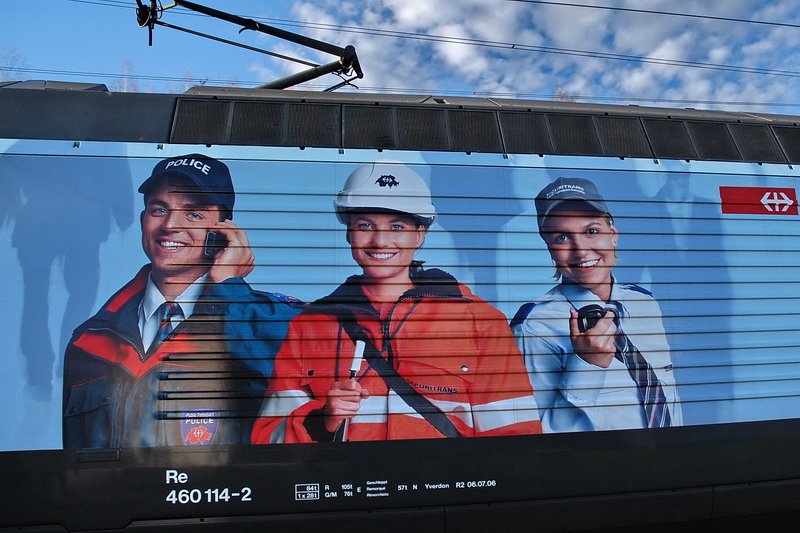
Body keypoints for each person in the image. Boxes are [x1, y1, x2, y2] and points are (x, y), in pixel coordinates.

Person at [252, 162, 541, 443]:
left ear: (420, 234)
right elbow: (268, 440)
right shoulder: (309, 326)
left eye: (397, 226)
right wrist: (322, 419)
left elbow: (515, 437)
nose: (380, 241)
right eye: (365, 225)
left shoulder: (481, 321)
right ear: (348, 232)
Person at [63, 154, 303, 448]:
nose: (170, 225)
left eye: (193, 213)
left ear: (225, 232)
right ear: (143, 221)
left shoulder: (277, 323)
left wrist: (232, 290)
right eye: (159, 209)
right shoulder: (89, 340)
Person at [511, 177, 682, 433]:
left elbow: (668, 396)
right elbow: (534, 434)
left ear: (613, 235)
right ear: (549, 249)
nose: (581, 249)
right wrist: (587, 364)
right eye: (562, 237)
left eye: (591, 231)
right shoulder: (534, 326)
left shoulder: (645, 303)